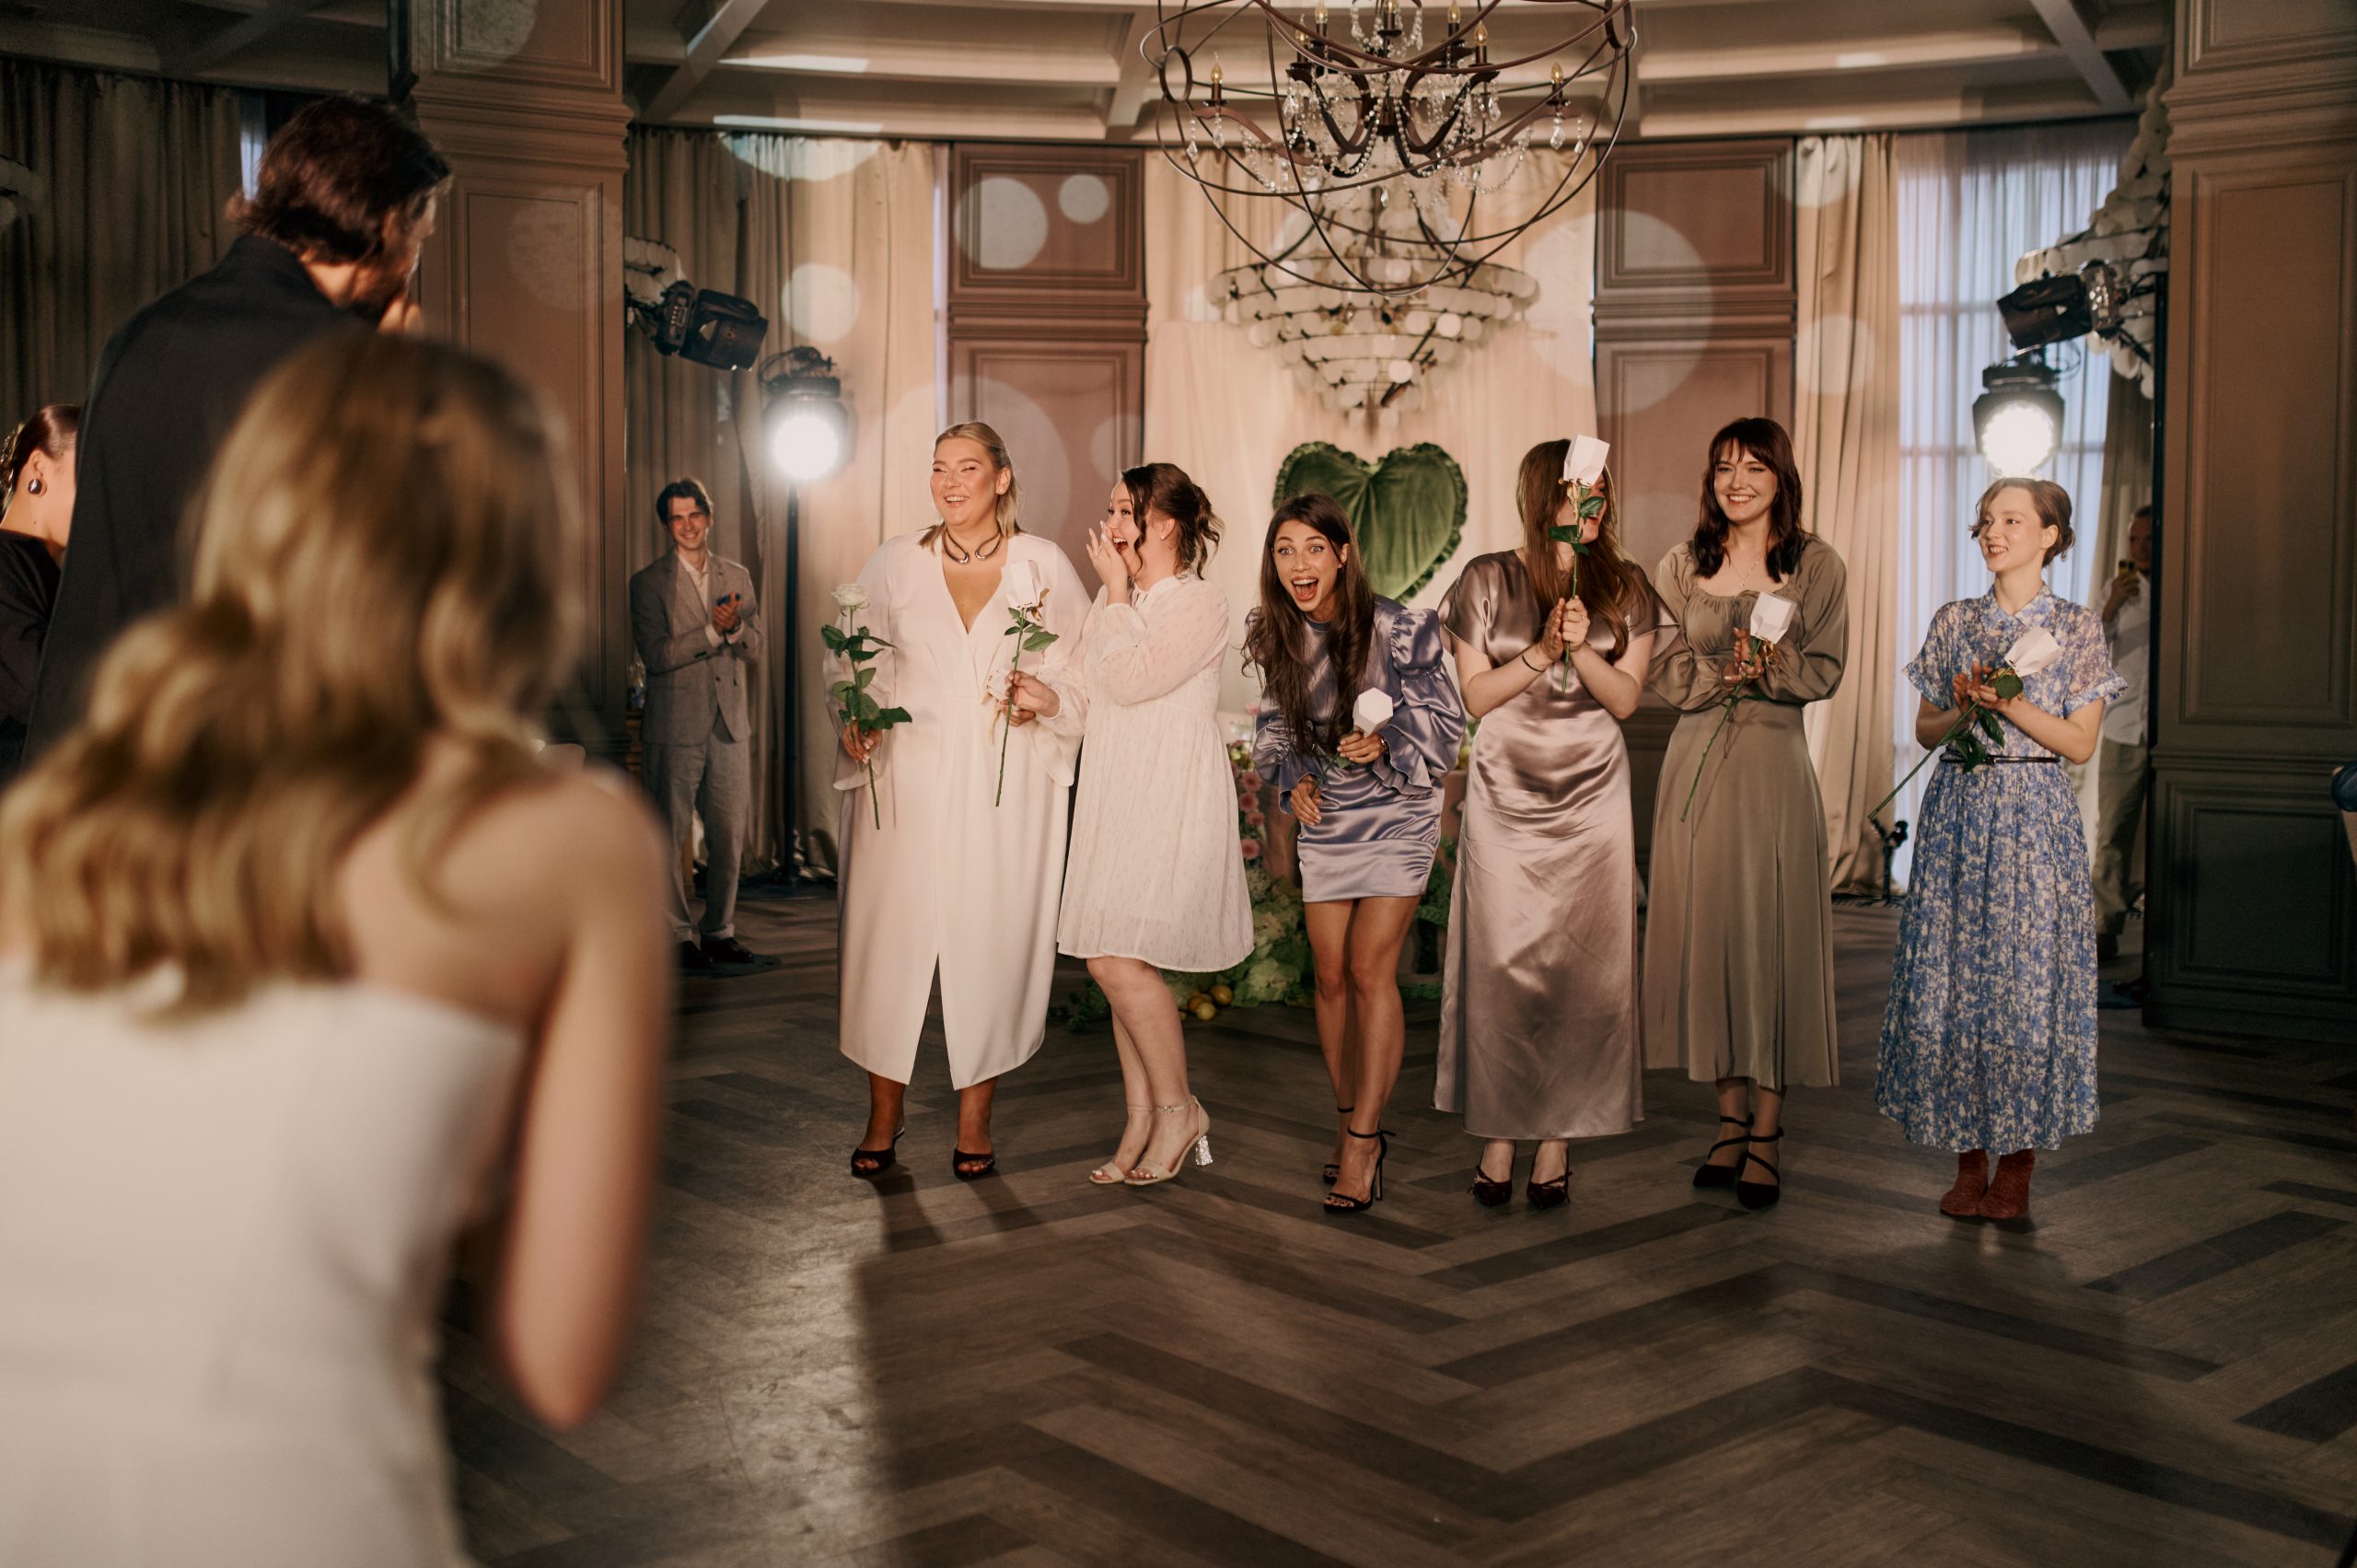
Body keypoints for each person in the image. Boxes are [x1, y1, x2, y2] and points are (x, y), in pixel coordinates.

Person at [0, 335, 669, 1564]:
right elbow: (562, 1358)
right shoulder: (566, 841)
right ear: (510, 554)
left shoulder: (51, 820)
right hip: (299, 1512)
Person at [24, 96, 447, 758]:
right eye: (420, 239)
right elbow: (388, 590)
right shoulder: (338, 360)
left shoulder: (139, 335)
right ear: (388, 224)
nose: (414, 262)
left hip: (104, 755)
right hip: (248, 768)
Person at [836, 423, 1089, 1181]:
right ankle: (883, 1110)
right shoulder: (895, 561)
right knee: (888, 939)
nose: (949, 483)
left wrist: (1046, 698)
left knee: (991, 934)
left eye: (968, 468)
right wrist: (855, 716)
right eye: (939, 468)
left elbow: (1083, 670)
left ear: (1001, 478)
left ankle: (976, 1117)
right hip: (905, 777)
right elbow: (853, 660)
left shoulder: (1043, 563)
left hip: (1003, 785)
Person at [1876, 479, 2122, 1221]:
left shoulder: (2077, 628)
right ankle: (1967, 1158)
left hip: (2036, 818)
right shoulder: (1955, 620)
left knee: (2025, 989)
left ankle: (2017, 1165)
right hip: (1957, 813)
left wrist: (2011, 703)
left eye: (2013, 520)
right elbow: (1925, 729)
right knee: (1955, 983)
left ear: (2050, 535)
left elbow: (2080, 742)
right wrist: (1962, 708)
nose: (1994, 531)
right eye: (1987, 520)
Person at [1438, 443, 1657, 1210]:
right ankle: (1501, 1129)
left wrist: (1581, 647)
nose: (1590, 506)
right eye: (1575, 493)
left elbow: (1624, 700)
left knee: (1580, 965)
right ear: (1542, 499)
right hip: (1505, 788)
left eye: (1599, 492)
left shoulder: (1628, 586)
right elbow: (1476, 698)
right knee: (1503, 963)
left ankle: (1559, 1134)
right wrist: (1541, 650)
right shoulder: (1485, 578)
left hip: (1593, 792)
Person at [1643, 416, 1849, 1212]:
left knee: (1771, 939)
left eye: (1755, 467)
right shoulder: (1679, 565)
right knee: (1710, 938)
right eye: (1724, 466)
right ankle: (1728, 1121)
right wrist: (1715, 676)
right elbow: (1661, 659)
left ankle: (1767, 1130)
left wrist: (1769, 667)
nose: (1737, 481)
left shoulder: (1816, 564)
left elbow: (1825, 666)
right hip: (1694, 764)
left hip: (1773, 770)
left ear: (1780, 477)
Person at [1247, 493, 1464, 1214]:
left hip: (1399, 810)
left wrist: (1388, 740)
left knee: (1371, 968)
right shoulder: (1276, 632)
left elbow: (1447, 723)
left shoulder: (1401, 628)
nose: (1299, 563)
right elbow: (1275, 728)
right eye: (1285, 549)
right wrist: (1295, 780)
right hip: (1331, 813)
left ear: (1342, 554)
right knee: (1331, 974)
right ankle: (1347, 1122)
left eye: (1314, 547)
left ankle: (1366, 1141)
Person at [1059, 463, 1252, 1188]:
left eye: (1123, 510)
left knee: (1118, 961)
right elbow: (1089, 691)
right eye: (1110, 508)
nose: (1109, 523)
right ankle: (1141, 1115)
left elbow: (1133, 679)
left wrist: (1114, 593)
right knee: (1117, 955)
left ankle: (1179, 1110)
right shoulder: (1115, 599)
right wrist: (1041, 698)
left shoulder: (1200, 602)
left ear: (1165, 524)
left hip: (1168, 794)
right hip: (1115, 791)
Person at [630, 477, 764, 975]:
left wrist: (738, 628)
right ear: (667, 526)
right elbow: (657, 656)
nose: (687, 526)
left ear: (708, 518)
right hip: (673, 724)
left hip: (729, 724)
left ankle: (719, 931)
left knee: (728, 835)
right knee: (668, 833)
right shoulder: (648, 583)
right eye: (677, 519)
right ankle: (676, 935)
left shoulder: (738, 574)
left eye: (694, 515)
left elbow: (756, 649)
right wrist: (712, 631)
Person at [0, 405, 76, 786]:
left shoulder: (56, 575)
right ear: (39, 469)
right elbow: (39, 690)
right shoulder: (6, 564)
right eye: (86, 477)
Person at [2093, 503, 2153, 965]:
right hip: (2124, 727)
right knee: (2113, 833)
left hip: (2172, 732)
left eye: (2149, 540)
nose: (2140, 548)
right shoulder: (2115, 592)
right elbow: (2087, 650)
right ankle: (2104, 928)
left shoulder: (2183, 587)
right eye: (2134, 540)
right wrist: (2111, 605)